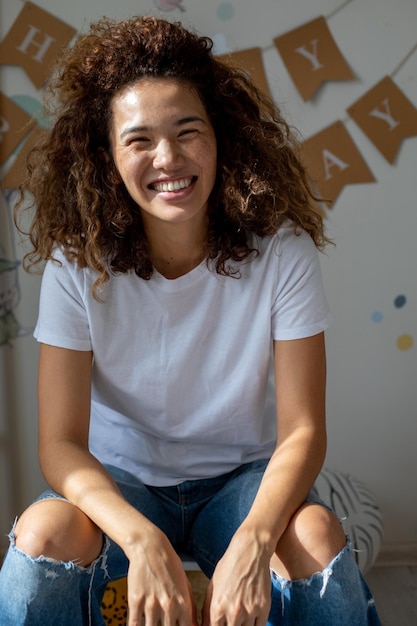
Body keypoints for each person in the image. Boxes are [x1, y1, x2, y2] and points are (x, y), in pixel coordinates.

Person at [0, 15, 380, 626]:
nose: (168, 158)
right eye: (139, 139)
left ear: (221, 136)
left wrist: (255, 539)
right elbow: (60, 443)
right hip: (122, 484)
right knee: (41, 535)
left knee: (316, 535)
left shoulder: (281, 252)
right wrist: (141, 539)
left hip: (241, 483)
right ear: (107, 157)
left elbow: (304, 429)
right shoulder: (77, 264)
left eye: (187, 130)